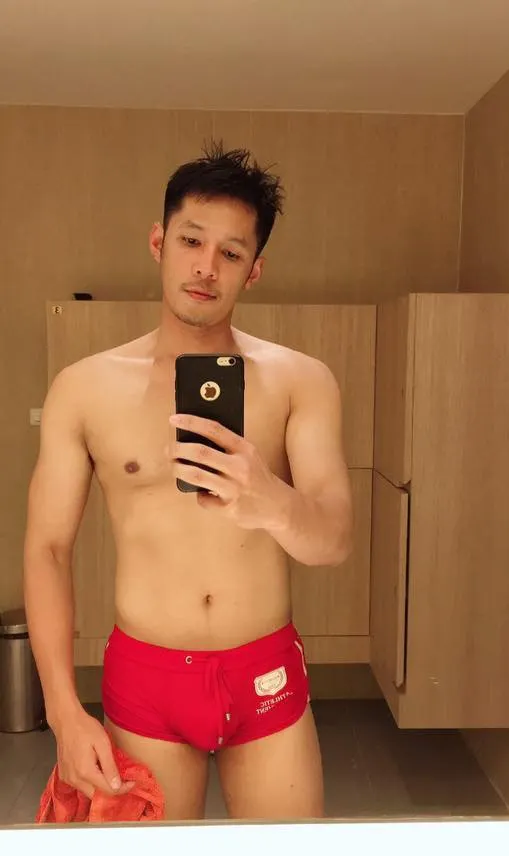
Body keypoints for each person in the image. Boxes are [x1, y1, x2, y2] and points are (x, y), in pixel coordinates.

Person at [23, 142, 352, 821]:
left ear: (253, 271)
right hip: (147, 678)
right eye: (191, 241)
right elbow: (47, 549)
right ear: (159, 241)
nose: (206, 266)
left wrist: (272, 501)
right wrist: (62, 712)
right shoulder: (84, 389)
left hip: (263, 671)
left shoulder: (301, 381)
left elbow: (334, 541)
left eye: (231, 253)